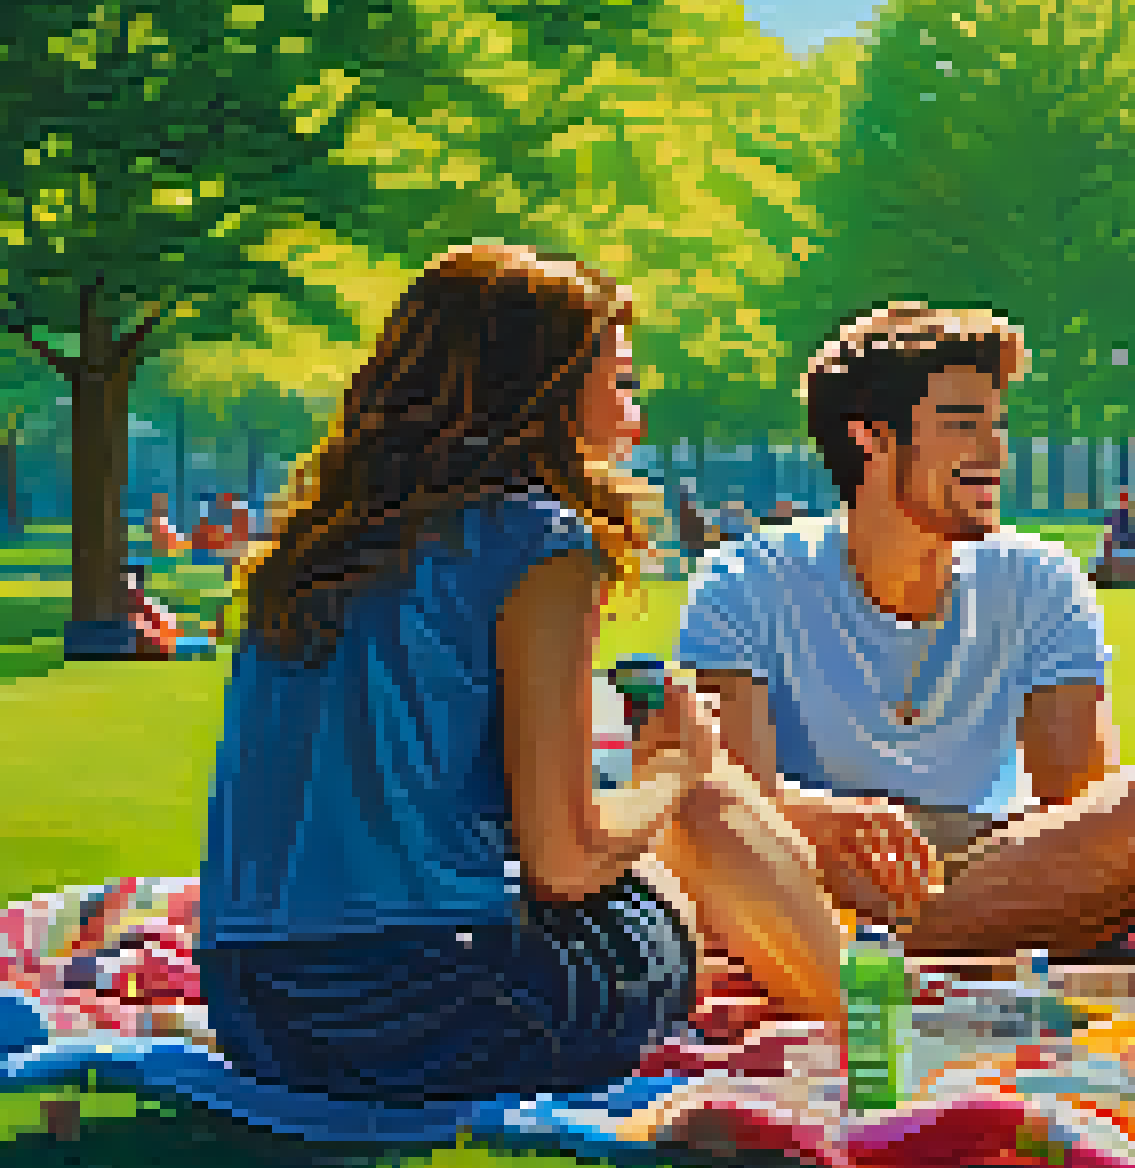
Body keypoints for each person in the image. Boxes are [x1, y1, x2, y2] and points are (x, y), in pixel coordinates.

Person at [196, 243, 866, 1103]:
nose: (638, 422)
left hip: (256, 1009)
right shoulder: (540, 543)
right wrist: (673, 769)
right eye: (621, 386)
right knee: (684, 851)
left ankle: (822, 983)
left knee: (651, 854)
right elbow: (565, 856)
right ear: (543, 388)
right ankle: (861, 1014)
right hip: (422, 1007)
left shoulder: (315, 546)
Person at [676, 302, 1135, 957]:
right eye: (962, 425)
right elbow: (727, 797)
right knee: (711, 826)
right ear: (869, 437)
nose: (994, 451)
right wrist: (823, 818)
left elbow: (1081, 802)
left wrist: (972, 870)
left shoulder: (1039, 577)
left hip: (992, 857)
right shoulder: (746, 581)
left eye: (999, 425)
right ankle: (910, 948)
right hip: (820, 855)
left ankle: (851, 958)